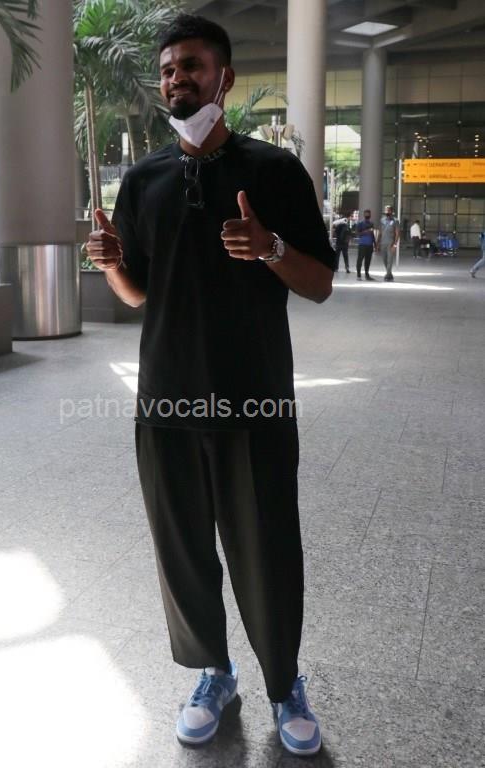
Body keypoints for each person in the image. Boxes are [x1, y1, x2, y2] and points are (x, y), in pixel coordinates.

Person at [85, 14, 335, 757]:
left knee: (267, 550)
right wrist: (111, 264)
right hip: (164, 400)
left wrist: (271, 246)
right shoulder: (144, 180)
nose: (176, 80)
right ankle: (213, 673)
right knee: (183, 551)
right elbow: (138, 293)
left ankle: (284, 683)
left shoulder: (274, 172)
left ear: (224, 78)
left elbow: (319, 283)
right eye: (168, 69)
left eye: (191, 66)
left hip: (254, 401)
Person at [376, 204, 400, 281]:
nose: (387, 211)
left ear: (392, 211)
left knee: (390, 260)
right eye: (386, 210)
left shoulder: (395, 221)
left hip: (391, 244)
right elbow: (380, 233)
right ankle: (390, 274)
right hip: (383, 243)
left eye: (388, 210)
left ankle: (387, 276)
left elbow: (397, 233)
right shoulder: (382, 220)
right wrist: (377, 243)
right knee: (384, 260)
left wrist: (395, 245)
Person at [356, 209, 376, 280]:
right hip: (362, 244)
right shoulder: (360, 223)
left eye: (369, 214)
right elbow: (357, 234)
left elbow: (372, 234)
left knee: (368, 261)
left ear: (370, 215)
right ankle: (358, 275)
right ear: (364, 215)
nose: (367, 215)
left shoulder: (371, 224)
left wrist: (375, 244)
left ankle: (367, 275)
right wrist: (366, 231)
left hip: (370, 245)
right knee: (360, 260)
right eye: (366, 214)